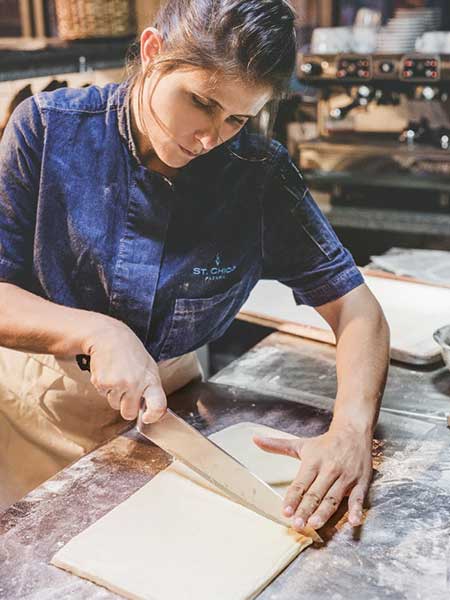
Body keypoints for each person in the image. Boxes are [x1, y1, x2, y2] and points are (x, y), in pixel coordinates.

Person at [0, 0, 389, 532]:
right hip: (42, 414)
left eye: (237, 119)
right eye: (201, 102)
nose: (211, 138)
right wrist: (96, 331)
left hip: (172, 412)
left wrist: (350, 430)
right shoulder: (46, 130)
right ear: (152, 51)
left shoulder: (257, 174)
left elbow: (357, 308)